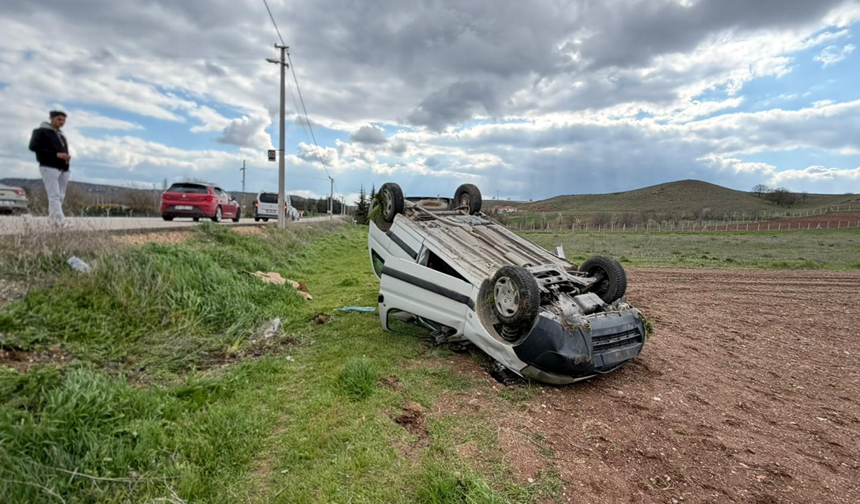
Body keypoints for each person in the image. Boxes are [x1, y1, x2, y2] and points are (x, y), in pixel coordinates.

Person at [29, 110, 71, 227]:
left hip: (63, 168)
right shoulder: (40, 132)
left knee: (61, 195)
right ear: (51, 119)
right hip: (48, 166)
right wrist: (55, 154)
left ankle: (53, 221)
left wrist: (66, 161)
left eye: (63, 120)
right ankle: (61, 221)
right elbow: (33, 147)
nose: (61, 122)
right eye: (59, 119)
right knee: (54, 195)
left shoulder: (61, 136)